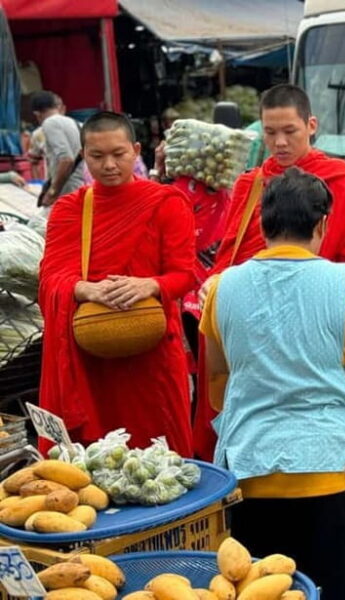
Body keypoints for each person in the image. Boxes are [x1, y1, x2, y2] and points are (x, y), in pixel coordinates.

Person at [201, 168, 345, 600]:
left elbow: (218, 363)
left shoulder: (223, 287)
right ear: (322, 223)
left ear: (262, 223)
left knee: (264, 591)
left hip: (252, 468)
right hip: (331, 468)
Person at [192, 83, 345, 460]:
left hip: (312, 318)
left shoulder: (342, 180)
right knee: (242, 427)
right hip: (248, 315)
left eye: (289, 132)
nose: (279, 143)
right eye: (270, 132)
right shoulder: (251, 182)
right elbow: (231, 251)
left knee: (312, 428)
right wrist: (214, 281)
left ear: (311, 125)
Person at [38, 111, 195, 455]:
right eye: (96, 156)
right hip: (91, 359)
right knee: (94, 462)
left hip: (151, 356)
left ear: (136, 150)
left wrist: (150, 285)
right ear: (84, 155)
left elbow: (185, 273)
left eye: (118, 154)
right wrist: (85, 289)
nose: (109, 165)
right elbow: (51, 278)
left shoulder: (166, 203)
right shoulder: (68, 209)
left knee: (161, 459)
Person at [30, 91, 83, 206]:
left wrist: (52, 192)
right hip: (80, 186)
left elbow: (66, 159)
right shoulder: (75, 123)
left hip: (67, 189)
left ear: (37, 114)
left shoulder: (49, 123)